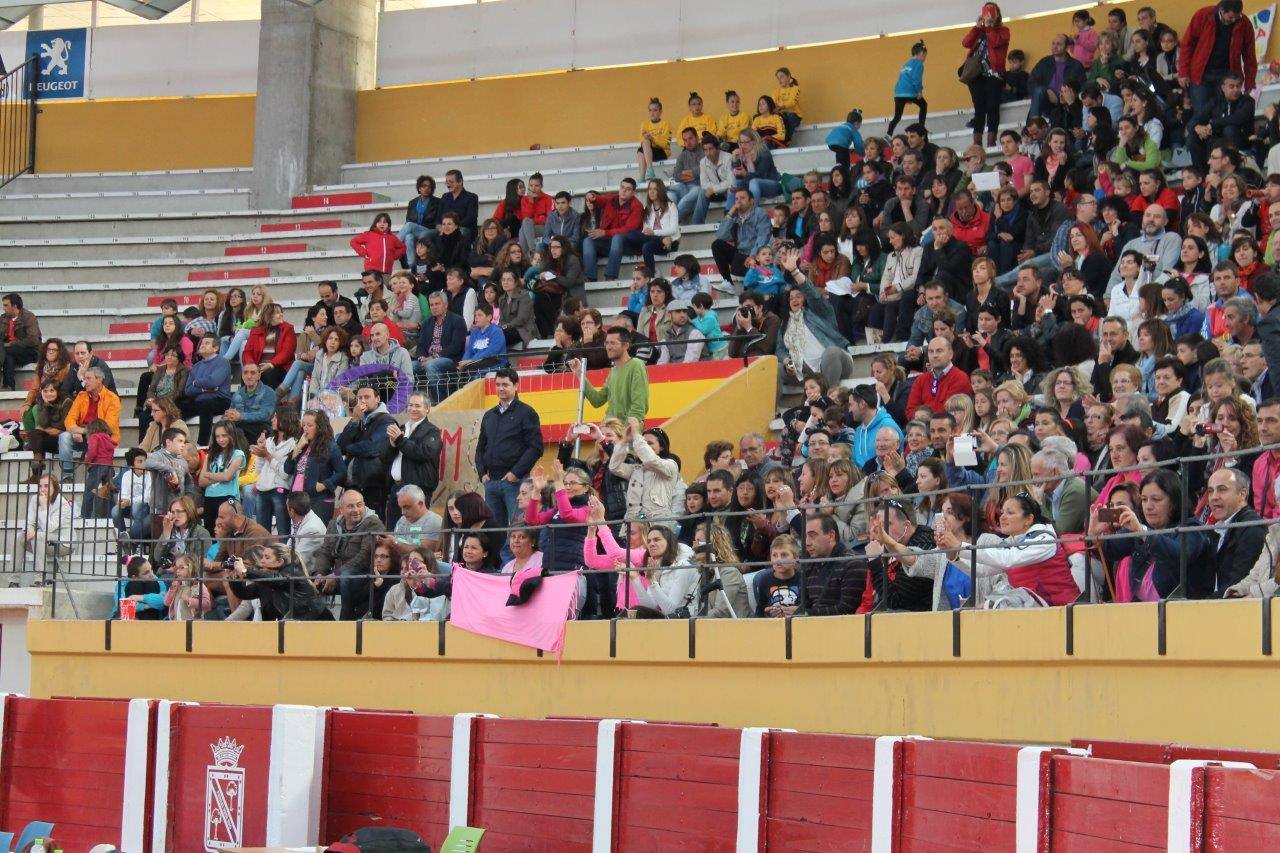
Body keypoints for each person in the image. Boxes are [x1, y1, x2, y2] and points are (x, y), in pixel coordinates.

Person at [973, 493, 1080, 605]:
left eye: (1010, 513)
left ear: (1029, 519)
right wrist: (959, 552)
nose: (1002, 517)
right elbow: (981, 570)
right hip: (1038, 610)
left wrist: (963, 547)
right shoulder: (1013, 542)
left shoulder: (1044, 539)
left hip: (1065, 609)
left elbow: (1008, 559)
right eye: (1002, 512)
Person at [776, 246, 855, 388]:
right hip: (807, 371)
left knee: (831, 352)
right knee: (777, 369)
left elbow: (812, 293)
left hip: (835, 363)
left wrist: (794, 271)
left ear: (805, 299)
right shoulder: (785, 324)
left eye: (798, 296)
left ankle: (828, 396)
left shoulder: (819, 311)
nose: (794, 300)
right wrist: (787, 360)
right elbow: (780, 349)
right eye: (791, 298)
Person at [474, 368, 542, 525]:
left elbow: (536, 448)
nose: (500, 388)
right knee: (494, 530)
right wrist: (482, 474)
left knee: (518, 527)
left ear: (516, 386)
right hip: (491, 482)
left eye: (505, 384)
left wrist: (515, 473)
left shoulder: (527, 413)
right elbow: (480, 448)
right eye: (498, 384)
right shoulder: (489, 415)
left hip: (516, 483)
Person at [310, 489, 386, 620]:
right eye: (350, 506)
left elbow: (364, 556)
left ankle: (346, 622)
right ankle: (322, 620)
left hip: (364, 574)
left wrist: (336, 574)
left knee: (346, 577)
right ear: (341, 509)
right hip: (337, 574)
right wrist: (319, 574)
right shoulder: (333, 524)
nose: (356, 510)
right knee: (306, 580)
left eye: (359, 505)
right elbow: (325, 551)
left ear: (364, 505)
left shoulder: (373, 524)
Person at [1178, 0, 1256, 118]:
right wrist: (1183, 72)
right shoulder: (1203, 15)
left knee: (1226, 114)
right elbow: (1187, 44)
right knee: (1201, 114)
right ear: (1222, 11)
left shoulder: (1244, 23)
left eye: (1237, 16)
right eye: (1230, 17)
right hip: (1200, 75)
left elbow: (1249, 55)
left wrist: (1250, 82)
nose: (1234, 20)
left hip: (1228, 76)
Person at [229, 543, 331, 621]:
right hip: (294, 626)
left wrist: (245, 571)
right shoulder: (267, 580)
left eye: (267, 557)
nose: (262, 561)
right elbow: (244, 593)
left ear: (279, 562)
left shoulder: (292, 572)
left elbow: (276, 579)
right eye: (262, 557)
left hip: (318, 623)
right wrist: (234, 576)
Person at [1204, 467, 1266, 595]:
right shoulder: (1215, 530)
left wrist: (1203, 603)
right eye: (1210, 491)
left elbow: (1238, 583)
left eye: (1222, 489)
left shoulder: (1252, 528)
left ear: (1242, 494)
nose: (1214, 497)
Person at [338, 384, 396, 519]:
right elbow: (340, 446)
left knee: (371, 524)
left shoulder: (386, 420)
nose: (362, 401)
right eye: (360, 398)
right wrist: (354, 421)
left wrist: (349, 448)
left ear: (377, 399)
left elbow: (372, 448)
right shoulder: (359, 419)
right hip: (353, 484)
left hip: (373, 486)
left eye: (367, 397)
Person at [572, 326, 649, 422]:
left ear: (626, 345)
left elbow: (638, 408)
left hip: (623, 429)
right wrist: (579, 373)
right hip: (611, 428)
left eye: (613, 343)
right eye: (607, 343)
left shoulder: (636, 365)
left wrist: (626, 429)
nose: (608, 347)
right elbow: (597, 401)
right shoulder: (613, 371)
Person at [58, 365, 120, 483]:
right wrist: (75, 431)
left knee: (99, 438)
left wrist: (82, 431)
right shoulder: (81, 396)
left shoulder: (113, 399)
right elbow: (69, 420)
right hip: (82, 437)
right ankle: (67, 475)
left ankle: (103, 477)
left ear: (99, 380)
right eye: (85, 378)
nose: (85, 381)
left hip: (102, 438)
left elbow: (107, 426)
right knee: (64, 436)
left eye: (88, 378)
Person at [582, 178, 643, 282]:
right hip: (609, 243)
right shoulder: (612, 198)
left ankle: (610, 276)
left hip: (628, 245)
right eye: (622, 187)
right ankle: (590, 278)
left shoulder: (637, 206)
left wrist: (605, 232)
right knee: (588, 241)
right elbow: (599, 199)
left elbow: (628, 229)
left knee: (617, 238)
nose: (624, 191)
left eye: (628, 189)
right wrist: (591, 196)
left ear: (633, 192)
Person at [800, 514, 863, 615]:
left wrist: (806, 614)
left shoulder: (853, 563)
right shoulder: (809, 565)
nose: (807, 542)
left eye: (812, 536)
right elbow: (804, 605)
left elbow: (847, 609)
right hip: (811, 623)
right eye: (805, 536)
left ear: (831, 536)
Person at [712, 186, 773, 288]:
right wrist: (731, 212)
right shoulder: (735, 216)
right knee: (717, 244)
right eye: (736, 199)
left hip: (756, 256)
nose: (739, 201)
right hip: (740, 256)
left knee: (748, 286)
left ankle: (750, 288)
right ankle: (728, 282)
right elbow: (721, 235)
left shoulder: (760, 213)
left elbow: (762, 238)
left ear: (751, 201)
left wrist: (753, 256)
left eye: (742, 198)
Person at [1027, 33, 1086, 123]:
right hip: (1047, 102)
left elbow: (1082, 87)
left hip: (1067, 102)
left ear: (1066, 47)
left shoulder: (1076, 65)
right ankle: (1034, 124)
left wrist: (1064, 96)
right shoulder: (1044, 63)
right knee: (1038, 91)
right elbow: (1031, 83)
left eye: (1059, 44)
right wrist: (1047, 91)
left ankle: (1033, 124)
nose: (1054, 46)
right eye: (1053, 43)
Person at [222, 361, 275, 445]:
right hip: (241, 427)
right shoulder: (237, 394)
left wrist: (240, 416)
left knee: (237, 431)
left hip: (261, 429)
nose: (249, 376)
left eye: (252, 373)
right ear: (242, 376)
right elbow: (231, 412)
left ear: (259, 376)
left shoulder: (268, 392)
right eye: (245, 373)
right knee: (222, 428)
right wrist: (228, 416)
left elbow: (265, 415)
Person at [0, 293, 41, 391]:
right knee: (8, 357)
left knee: (6, 352)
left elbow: (33, 340)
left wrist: (11, 344)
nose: (3, 308)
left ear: (14, 306)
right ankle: (9, 387)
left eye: (6, 305)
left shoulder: (29, 317)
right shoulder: (3, 318)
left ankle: (7, 386)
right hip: (9, 352)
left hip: (30, 351)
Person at [888, 42, 928, 137]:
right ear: (921, 53)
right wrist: (919, 91)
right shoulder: (919, 64)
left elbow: (902, 79)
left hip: (898, 94)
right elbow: (916, 79)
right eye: (925, 56)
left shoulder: (907, 64)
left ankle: (888, 135)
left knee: (897, 116)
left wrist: (905, 97)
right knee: (924, 105)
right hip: (910, 92)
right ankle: (921, 129)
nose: (925, 58)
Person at [285, 491, 327, 568]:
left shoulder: (312, 530)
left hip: (306, 571)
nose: (286, 510)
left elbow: (298, 559)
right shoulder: (298, 519)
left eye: (287, 507)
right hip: (294, 565)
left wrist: (276, 559)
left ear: (292, 511)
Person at [439, 169, 480, 239]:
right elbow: (438, 216)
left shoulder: (471, 197)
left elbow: (471, 218)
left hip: (463, 228)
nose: (448, 185)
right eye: (447, 182)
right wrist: (439, 226)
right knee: (426, 234)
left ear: (460, 181)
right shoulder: (445, 197)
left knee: (461, 232)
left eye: (451, 182)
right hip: (445, 228)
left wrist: (454, 227)